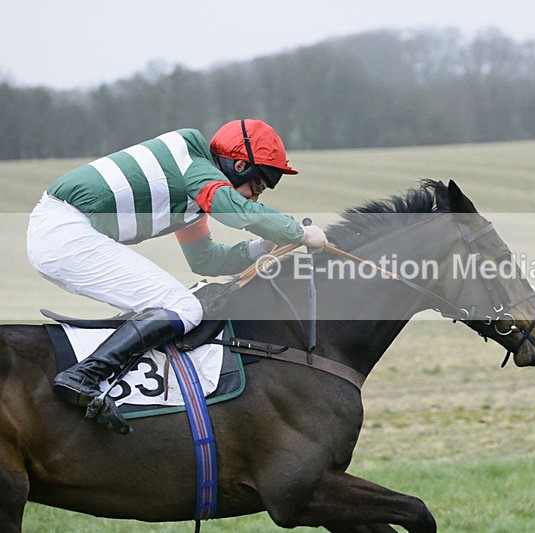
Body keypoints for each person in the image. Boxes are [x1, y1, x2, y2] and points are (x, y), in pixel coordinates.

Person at [27, 118, 327, 431]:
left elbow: (206, 260)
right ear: (239, 166)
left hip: (63, 234)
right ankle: (84, 376)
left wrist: (261, 247)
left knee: (169, 304)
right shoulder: (194, 163)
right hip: (65, 232)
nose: (256, 197)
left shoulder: (193, 192)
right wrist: (299, 232)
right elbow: (232, 208)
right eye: (258, 186)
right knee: (183, 307)